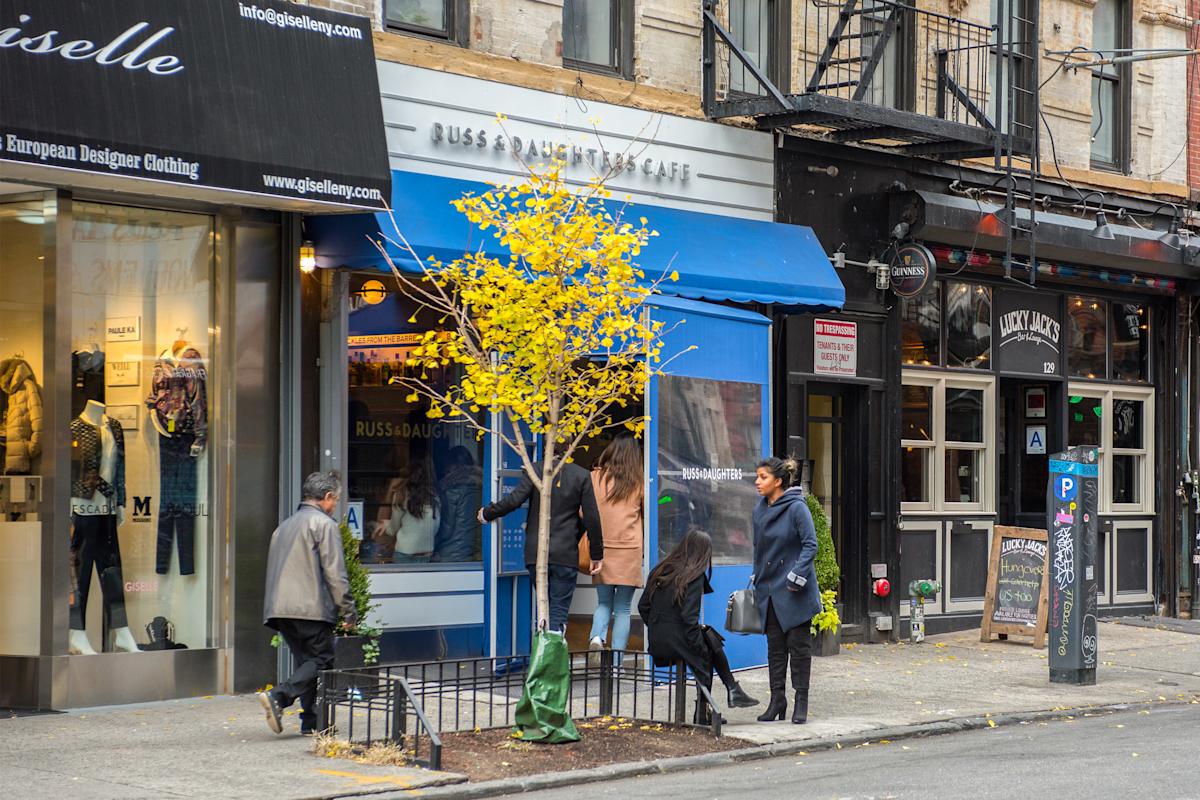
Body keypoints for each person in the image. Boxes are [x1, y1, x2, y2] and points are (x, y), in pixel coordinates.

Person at [258, 471, 357, 736]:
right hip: (310, 607)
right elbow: (335, 573)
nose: (335, 505)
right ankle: (279, 697)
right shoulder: (324, 525)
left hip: (280, 608)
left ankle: (312, 722)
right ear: (326, 497)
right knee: (323, 660)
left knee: (308, 663)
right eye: (335, 500)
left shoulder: (283, 527)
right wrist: (348, 610)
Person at [638, 530, 759, 724]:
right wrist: (699, 648)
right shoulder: (693, 576)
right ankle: (712, 705)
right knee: (708, 651)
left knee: (709, 637)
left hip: (657, 639)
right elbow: (688, 618)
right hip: (676, 640)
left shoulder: (661, 569)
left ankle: (728, 694)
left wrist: (657, 627)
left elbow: (643, 606)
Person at [480, 459, 603, 633]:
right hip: (565, 553)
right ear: (570, 446)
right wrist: (596, 554)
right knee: (557, 611)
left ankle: (545, 651)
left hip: (536, 552)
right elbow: (592, 518)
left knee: (544, 608)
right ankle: (551, 654)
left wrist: (488, 513)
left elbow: (514, 500)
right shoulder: (581, 475)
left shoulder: (536, 469)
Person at [752, 457, 821, 725]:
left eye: (763, 477)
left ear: (778, 481)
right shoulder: (759, 510)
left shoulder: (796, 508)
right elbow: (759, 549)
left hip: (794, 590)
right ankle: (776, 700)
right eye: (757, 476)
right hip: (769, 590)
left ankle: (800, 701)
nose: (757, 482)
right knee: (775, 649)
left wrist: (797, 574)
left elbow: (810, 545)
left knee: (799, 648)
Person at [587, 433, 645, 660]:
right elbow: (651, 508)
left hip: (603, 548)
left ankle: (596, 638)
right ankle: (617, 665)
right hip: (629, 550)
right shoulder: (639, 480)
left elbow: (584, 512)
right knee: (622, 609)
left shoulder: (595, 477)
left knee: (603, 602)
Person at [385, 459, 440, 564]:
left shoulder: (401, 495)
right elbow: (435, 528)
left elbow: (393, 529)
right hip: (427, 553)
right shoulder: (434, 497)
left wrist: (386, 525)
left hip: (404, 553)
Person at [435, 446, 483, 562]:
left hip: (451, 553)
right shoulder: (482, 486)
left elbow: (446, 529)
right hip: (476, 551)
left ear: (450, 465)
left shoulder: (451, 488)